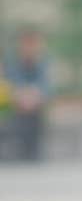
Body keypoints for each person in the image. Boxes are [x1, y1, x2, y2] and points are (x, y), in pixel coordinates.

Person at [4, 25, 53, 162]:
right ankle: (21, 150)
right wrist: (20, 95)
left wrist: (35, 96)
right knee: (17, 112)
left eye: (33, 43)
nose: (30, 47)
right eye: (27, 43)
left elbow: (46, 87)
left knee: (35, 112)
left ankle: (33, 152)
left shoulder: (43, 63)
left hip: (36, 105)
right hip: (15, 104)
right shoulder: (12, 62)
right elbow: (10, 83)